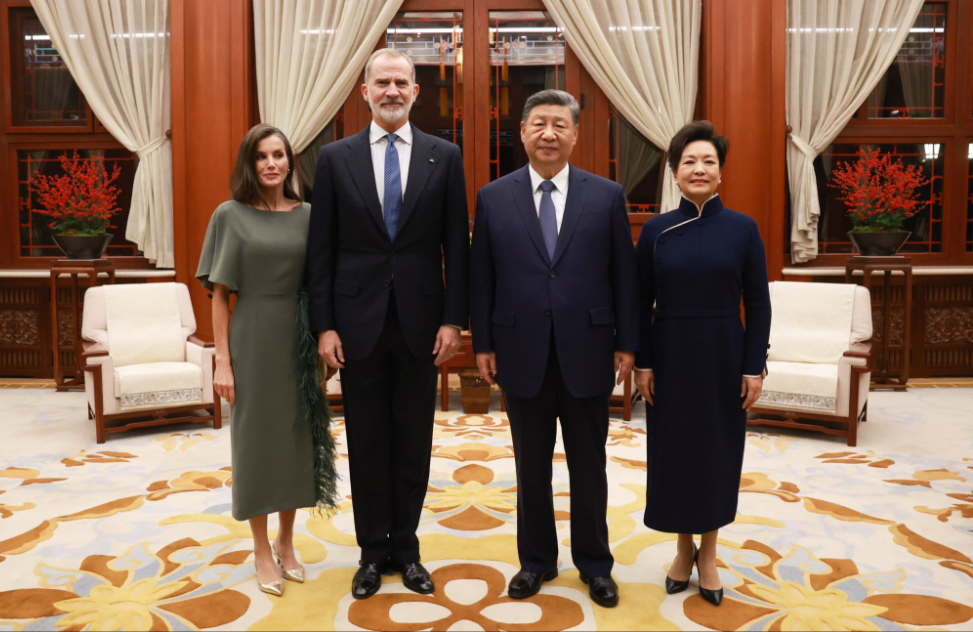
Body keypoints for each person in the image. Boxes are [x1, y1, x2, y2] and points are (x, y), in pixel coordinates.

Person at [306, 48, 469, 599]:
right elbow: (321, 250)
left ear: (416, 92)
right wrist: (325, 326)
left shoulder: (444, 157)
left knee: (414, 440)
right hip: (357, 325)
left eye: (401, 82)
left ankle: (408, 549)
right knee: (368, 439)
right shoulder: (335, 158)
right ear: (365, 92)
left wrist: (454, 320)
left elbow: (457, 246)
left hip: (422, 324)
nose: (392, 91)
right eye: (382, 83)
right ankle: (372, 552)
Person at [469, 89, 638, 608]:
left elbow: (624, 276)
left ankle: (595, 564)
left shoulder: (605, 195)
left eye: (559, 125)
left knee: (589, 466)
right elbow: (482, 278)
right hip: (520, 351)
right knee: (531, 467)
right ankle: (536, 560)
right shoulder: (494, 197)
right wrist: (483, 342)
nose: (548, 134)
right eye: (538, 123)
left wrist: (628, 343)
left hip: (589, 349)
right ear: (522, 132)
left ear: (575, 135)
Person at [633, 120, 771, 606]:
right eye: (689, 161)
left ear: (720, 172)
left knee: (716, 455)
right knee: (674, 453)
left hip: (723, 355)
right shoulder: (656, 231)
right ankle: (681, 548)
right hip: (669, 353)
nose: (699, 168)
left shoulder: (742, 229)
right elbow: (638, 301)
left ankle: (708, 554)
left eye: (708, 161)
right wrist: (643, 363)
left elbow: (758, 303)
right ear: (674, 173)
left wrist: (753, 366)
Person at [197, 124, 337, 598]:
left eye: (279, 154)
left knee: (296, 442)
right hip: (252, 338)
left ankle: (286, 541)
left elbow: (322, 283)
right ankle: (260, 548)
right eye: (261, 156)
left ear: (290, 161)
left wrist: (323, 340)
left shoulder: (310, 215)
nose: (271, 163)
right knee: (256, 443)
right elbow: (220, 296)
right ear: (249, 163)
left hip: (298, 338)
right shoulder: (229, 215)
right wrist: (222, 361)